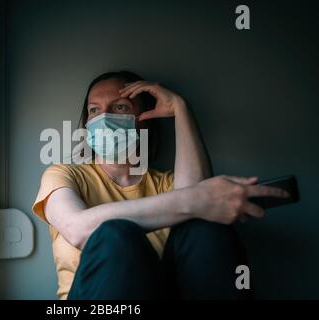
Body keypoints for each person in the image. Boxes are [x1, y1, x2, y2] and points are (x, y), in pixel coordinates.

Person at [32, 70, 289, 300]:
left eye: (119, 107)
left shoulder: (165, 183)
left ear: (144, 118)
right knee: (114, 234)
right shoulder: (63, 174)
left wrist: (180, 108)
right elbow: (77, 228)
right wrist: (194, 201)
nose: (104, 118)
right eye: (94, 110)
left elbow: (203, 206)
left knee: (204, 225)